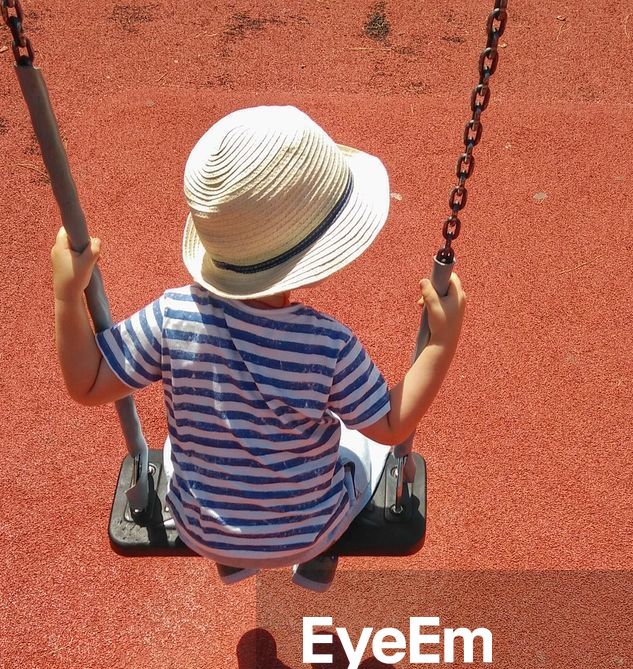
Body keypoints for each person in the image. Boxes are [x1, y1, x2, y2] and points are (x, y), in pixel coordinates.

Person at [51, 104, 466, 591]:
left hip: (201, 528)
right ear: (318, 251)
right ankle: (317, 558)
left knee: (208, 455)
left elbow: (89, 382)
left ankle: (234, 559)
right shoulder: (327, 346)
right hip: (308, 530)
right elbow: (393, 424)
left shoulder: (171, 318)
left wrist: (66, 297)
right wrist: (441, 344)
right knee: (356, 449)